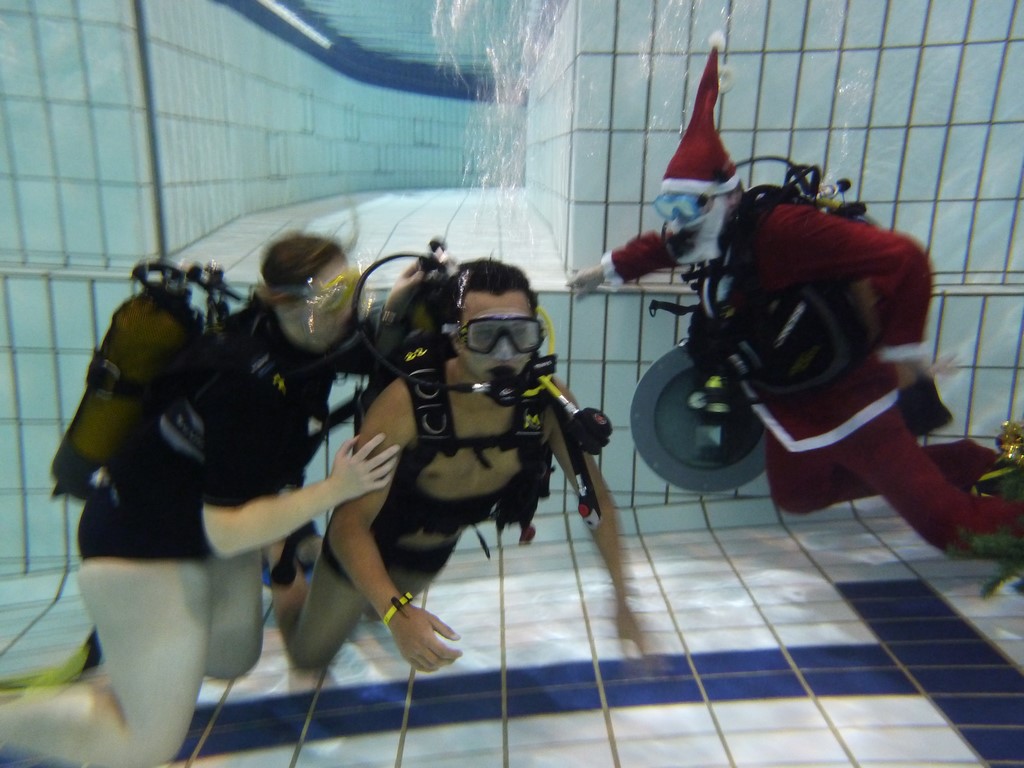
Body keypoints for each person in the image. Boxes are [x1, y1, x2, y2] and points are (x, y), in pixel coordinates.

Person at [568, 42, 1024, 559]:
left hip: (854, 399)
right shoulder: (709, 235)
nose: (679, 220)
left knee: (948, 529)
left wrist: (903, 356)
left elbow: (906, 259)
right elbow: (663, 247)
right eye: (669, 205)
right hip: (789, 406)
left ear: (730, 196)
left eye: (690, 205)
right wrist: (605, 270)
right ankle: (966, 462)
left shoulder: (786, 230)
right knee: (799, 494)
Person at [0, 233, 400, 768]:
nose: (350, 309)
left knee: (233, 655)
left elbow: (377, 346)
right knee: (147, 744)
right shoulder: (244, 384)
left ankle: (143, 674)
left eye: (353, 288)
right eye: (335, 297)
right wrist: (334, 490)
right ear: (282, 301)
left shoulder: (296, 340)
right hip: (137, 549)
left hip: (191, 531)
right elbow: (227, 532)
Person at [272, 259, 647, 673]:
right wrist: (397, 612)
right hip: (368, 541)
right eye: (486, 336)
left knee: (375, 612)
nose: (506, 353)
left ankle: (332, 570)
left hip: (428, 554)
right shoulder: (408, 402)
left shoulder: (547, 402)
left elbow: (598, 502)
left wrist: (623, 599)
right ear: (456, 337)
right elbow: (349, 524)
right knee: (308, 657)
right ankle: (278, 551)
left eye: (520, 335)